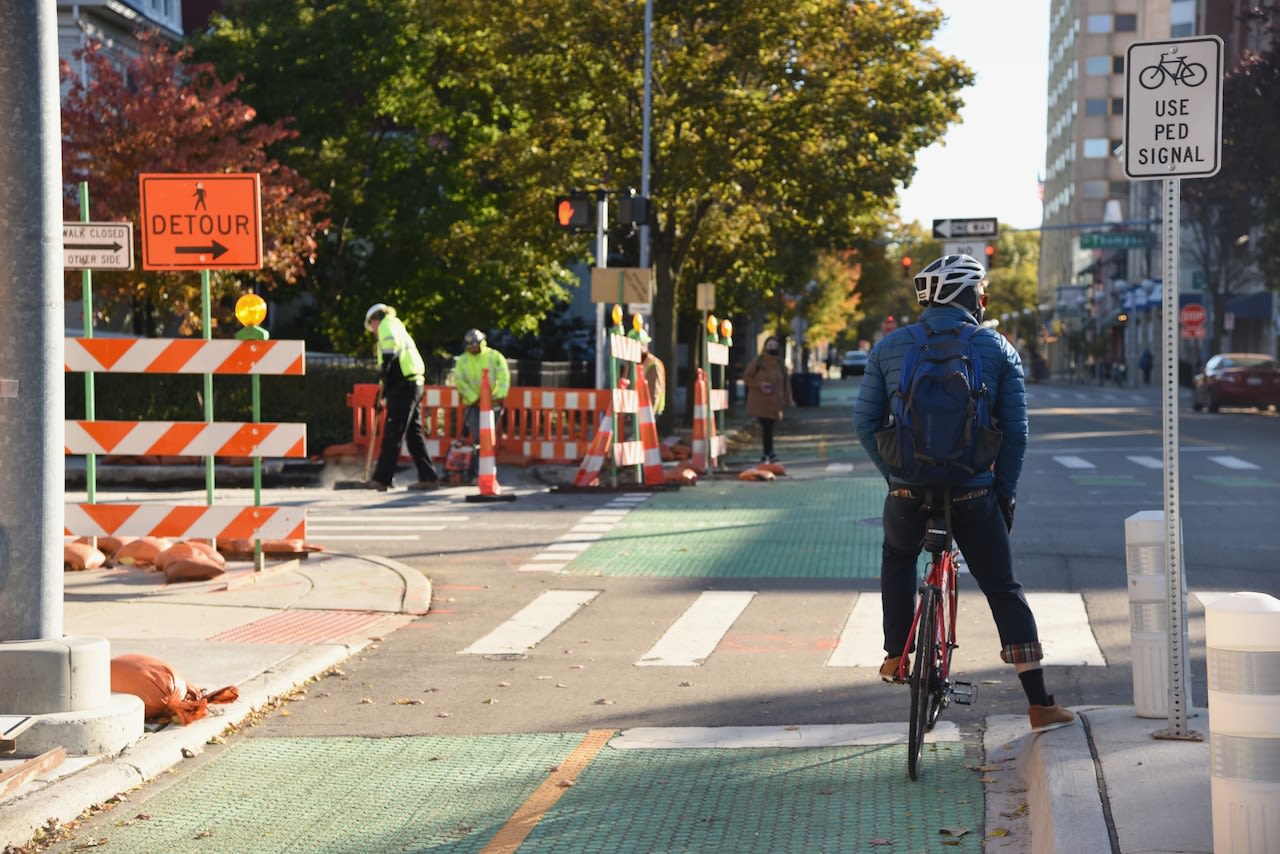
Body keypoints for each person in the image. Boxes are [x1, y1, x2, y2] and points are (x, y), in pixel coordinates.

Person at [852, 254, 1075, 733]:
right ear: (970, 296)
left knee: (897, 559)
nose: (984, 298)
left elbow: (865, 423)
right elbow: (1016, 433)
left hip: (908, 492)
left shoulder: (889, 348)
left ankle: (896, 655)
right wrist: (1003, 495)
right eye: (982, 291)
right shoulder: (996, 347)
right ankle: (1039, 704)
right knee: (1002, 587)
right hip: (975, 494)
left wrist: (895, 475)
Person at [363, 303, 439, 491]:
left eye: (371, 326)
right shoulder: (397, 325)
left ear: (374, 320)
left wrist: (385, 365)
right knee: (413, 434)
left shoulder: (386, 324)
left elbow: (390, 350)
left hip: (405, 385)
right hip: (412, 383)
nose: (373, 331)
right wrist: (383, 393)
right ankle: (428, 476)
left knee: (393, 432)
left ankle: (382, 479)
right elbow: (390, 374)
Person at [453, 328, 510, 483]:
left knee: (487, 439)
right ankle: (477, 471)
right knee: (478, 437)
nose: (472, 348)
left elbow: (503, 376)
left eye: (474, 345)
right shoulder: (463, 360)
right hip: (473, 404)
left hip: (492, 404)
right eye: (469, 345)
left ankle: (484, 471)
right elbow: (459, 381)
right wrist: (474, 398)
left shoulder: (494, 356)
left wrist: (499, 396)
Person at [744, 334, 793, 463]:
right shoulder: (758, 362)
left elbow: (786, 383)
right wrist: (760, 385)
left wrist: (789, 400)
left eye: (774, 346)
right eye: (770, 345)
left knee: (770, 427)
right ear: (765, 347)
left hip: (775, 402)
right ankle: (769, 452)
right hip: (760, 401)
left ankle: (767, 453)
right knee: (767, 426)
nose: (772, 348)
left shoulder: (780, 364)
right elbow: (747, 378)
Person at [638, 330, 666, 415]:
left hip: (651, 410)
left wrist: (650, 413)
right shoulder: (636, 363)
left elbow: (655, 392)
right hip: (642, 408)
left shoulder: (653, 364)